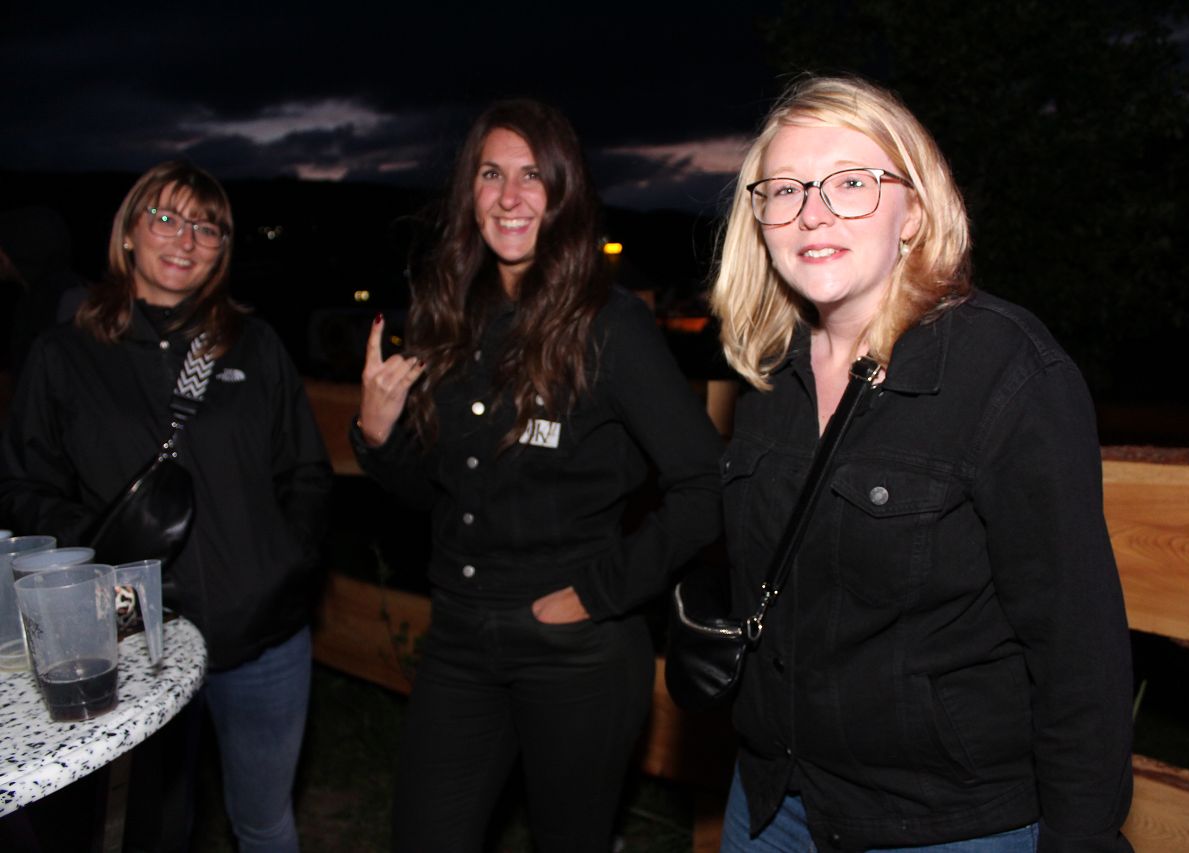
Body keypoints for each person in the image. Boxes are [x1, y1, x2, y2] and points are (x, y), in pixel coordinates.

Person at [710, 76, 1134, 852]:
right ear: (759, 218)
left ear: (913, 212)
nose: (812, 213)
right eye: (786, 189)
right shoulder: (768, 374)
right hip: (772, 798)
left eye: (851, 183)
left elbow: (1079, 646)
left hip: (943, 821)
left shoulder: (1004, 369)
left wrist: (1083, 835)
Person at [352, 99, 723, 852]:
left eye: (532, 176)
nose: (510, 197)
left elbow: (708, 485)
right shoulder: (452, 316)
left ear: (563, 194)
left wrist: (600, 592)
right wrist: (378, 435)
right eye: (492, 174)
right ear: (470, 192)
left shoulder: (608, 324)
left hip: (573, 650)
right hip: (459, 636)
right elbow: (440, 495)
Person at [0, 161, 333, 852]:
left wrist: (288, 562)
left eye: (207, 227)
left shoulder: (255, 345)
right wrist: (97, 549)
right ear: (128, 233)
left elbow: (304, 471)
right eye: (166, 218)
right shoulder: (65, 354)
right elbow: (24, 486)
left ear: (222, 249)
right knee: (151, 832)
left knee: (264, 822)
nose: (186, 239)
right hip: (136, 644)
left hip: (262, 638)